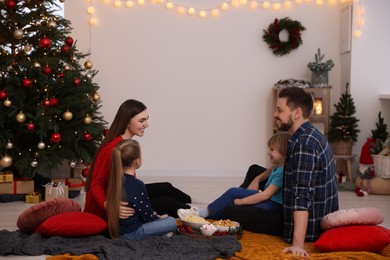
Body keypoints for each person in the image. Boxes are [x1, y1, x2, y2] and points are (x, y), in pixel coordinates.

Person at [84, 99, 191, 220]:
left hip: (120, 195)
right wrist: (109, 205)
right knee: (168, 203)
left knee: (166, 187)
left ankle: (193, 205)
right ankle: (195, 213)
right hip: (109, 210)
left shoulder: (124, 144)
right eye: (142, 120)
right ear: (127, 122)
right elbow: (96, 184)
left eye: (147, 119)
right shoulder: (114, 149)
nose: (147, 124)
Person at [274, 86, 339, 257]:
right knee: (255, 172)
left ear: (297, 113)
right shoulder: (307, 134)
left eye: (279, 110)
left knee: (235, 209)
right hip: (306, 213)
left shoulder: (304, 144)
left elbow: (302, 195)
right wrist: (259, 177)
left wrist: (297, 245)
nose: (275, 114)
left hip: (308, 226)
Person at [177, 132, 289, 221]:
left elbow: (265, 196)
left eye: (272, 150)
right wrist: (257, 179)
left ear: (283, 151)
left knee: (233, 193)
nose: (268, 152)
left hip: (272, 205)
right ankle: (202, 215)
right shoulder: (277, 166)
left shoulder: (281, 172)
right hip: (269, 202)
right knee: (230, 202)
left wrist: (242, 201)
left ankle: (202, 213)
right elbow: (266, 174)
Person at [106, 139, 177, 240]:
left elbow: (140, 209)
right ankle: (160, 232)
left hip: (118, 230)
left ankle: (159, 230)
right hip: (132, 233)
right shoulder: (137, 184)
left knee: (162, 219)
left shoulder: (115, 180)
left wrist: (153, 215)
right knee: (171, 221)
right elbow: (145, 216)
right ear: (137, 161)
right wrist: (156, 217)